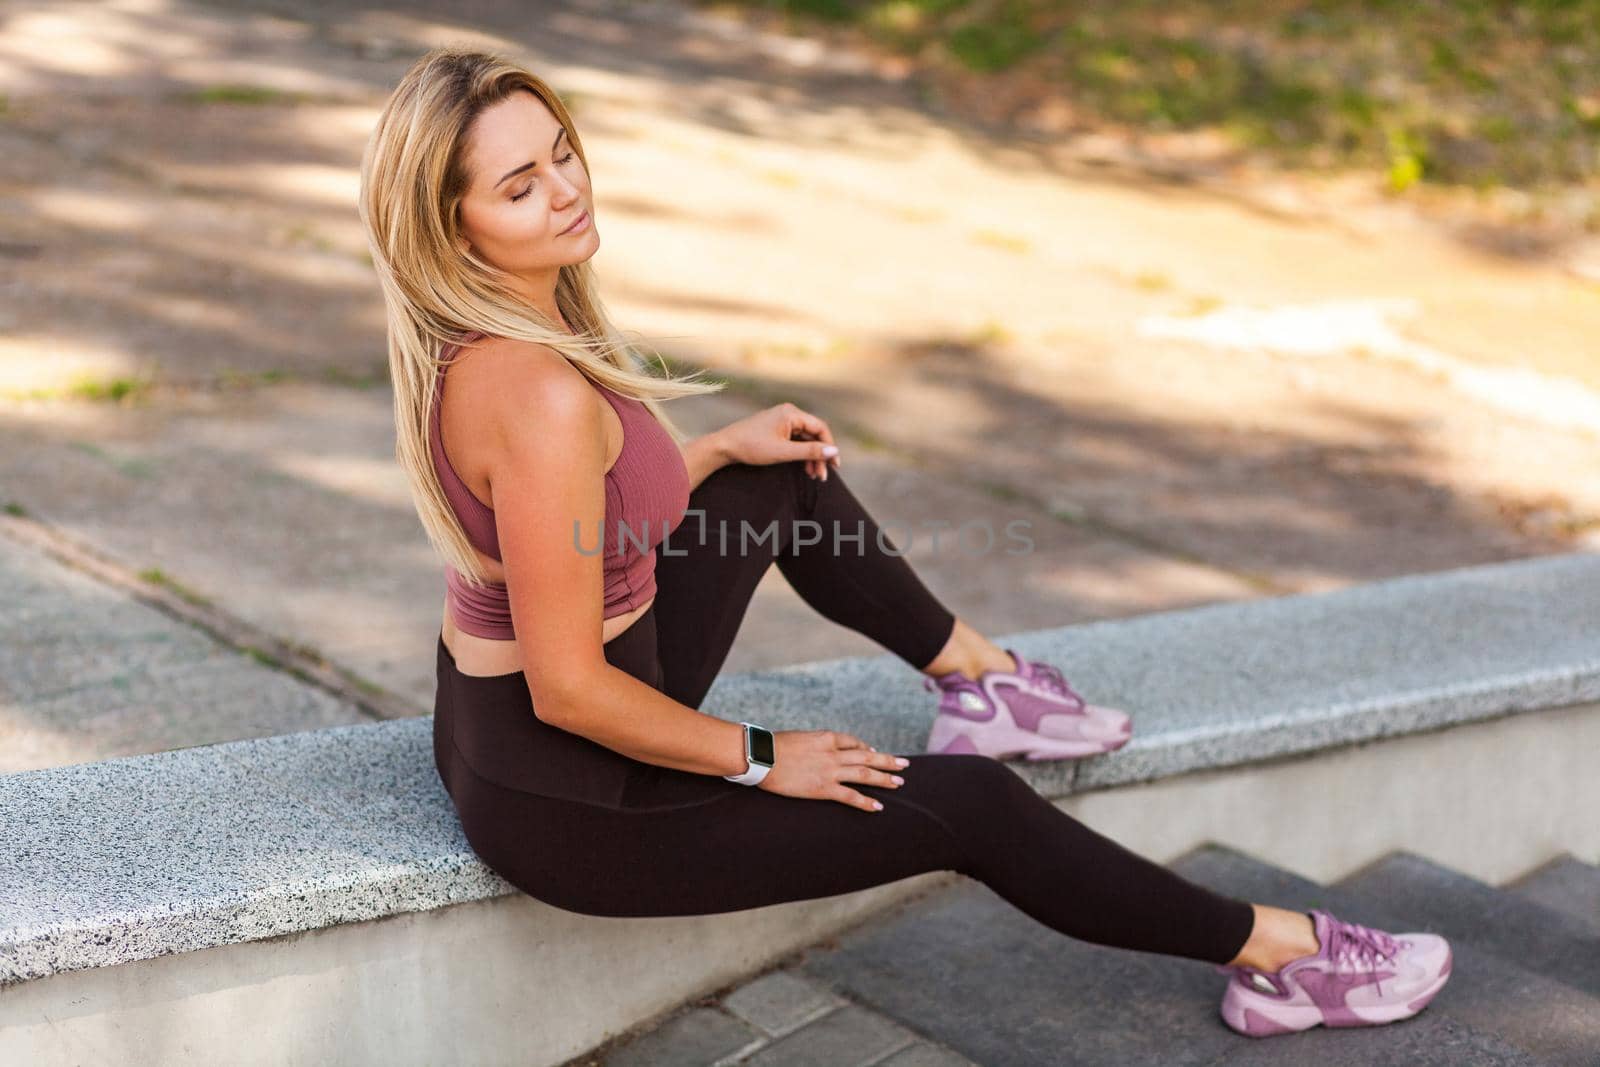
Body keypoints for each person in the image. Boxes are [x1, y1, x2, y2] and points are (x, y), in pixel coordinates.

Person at [356, 45, 1453, 1039]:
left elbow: (568, 524)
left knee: (772, 476)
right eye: (519, 185)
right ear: (454, 228)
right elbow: (567, 689)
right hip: (577, 799)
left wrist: (701, 457)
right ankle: (1282, 955)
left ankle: (981, 680)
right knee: (964, 806)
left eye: (562, 154)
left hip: (534, 723)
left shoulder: (520, 322)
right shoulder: (530, 389)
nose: (566, 190)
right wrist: (761, 754)